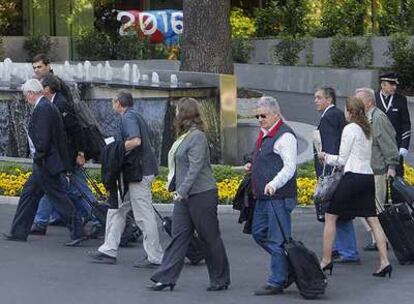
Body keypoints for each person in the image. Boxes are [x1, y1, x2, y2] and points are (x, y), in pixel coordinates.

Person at [148, 97, 230, 292]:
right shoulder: (186, 136)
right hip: (184, 196)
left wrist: (182, 191)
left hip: (201, 194)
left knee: (210, 237)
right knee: (178, 236)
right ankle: (166, 277)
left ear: (184, 113)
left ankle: (220, 279)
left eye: (177, 110)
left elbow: (195, 168)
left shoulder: (197, 137)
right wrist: (179, 191)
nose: (175, 113)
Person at [2, 79, 84, 245]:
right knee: (29, 195)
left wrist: (38, 156)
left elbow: (44, 139)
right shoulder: (47, 106)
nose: (26, 99)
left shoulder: (43, 108)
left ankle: (78, 230)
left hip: (45, 163)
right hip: (45, 161)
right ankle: (18, 232)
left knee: (58, 197)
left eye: (26, 95)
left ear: (32, 93)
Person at [318, 97, 392, 278]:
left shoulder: (350, 128)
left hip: (352, 177)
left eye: (345, 110)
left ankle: (326, 260)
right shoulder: (367, 129)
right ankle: (384, 262)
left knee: (330, 216)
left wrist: (325, 156)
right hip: (367, 177)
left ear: (350, 112)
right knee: (373, 220)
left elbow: (342, 160)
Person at [87, 90, 163, 267]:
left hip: (139, 174)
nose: (112, 105)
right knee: (118, 209)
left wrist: (115, 149)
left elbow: (135, 141)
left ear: (118, 103)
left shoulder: (128, 118)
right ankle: (108, 249)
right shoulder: (136, 115)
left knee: (144, 216)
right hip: (136, 173)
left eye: (113, 102)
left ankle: (155, 257)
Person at [30, 75, 98, 236]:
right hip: (61, 156)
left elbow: (77, 131)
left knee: (79, 189)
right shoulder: (52, 103)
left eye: (41, 87)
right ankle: (40, 222)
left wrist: (81, 153)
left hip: (69, 156)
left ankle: (98, 219)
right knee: (51, 188)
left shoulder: (61, 104)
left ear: (47, 89)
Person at [243, 96, 297, 296]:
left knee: (277, 240)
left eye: (263, 115)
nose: (259, 119)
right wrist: (252, 164)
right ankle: (287, 266)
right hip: (264, 198)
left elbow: (290, 167)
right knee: (259, 233)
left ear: (275, 114)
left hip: (279, 196)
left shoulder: (285, 136)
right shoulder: (266, 132)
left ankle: (277, 280)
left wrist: (274, 184)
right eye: (257, 115)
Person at [313, 87, 360, 264]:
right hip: (341, 170)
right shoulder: (336, 115)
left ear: (329, 99)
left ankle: (347, 251)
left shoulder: (329, 117)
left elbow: (330, 145)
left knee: (335, 211)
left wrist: (327, 173)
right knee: (337, 213)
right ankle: (339, 248)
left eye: (318, 98)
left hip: (333, 171)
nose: (315, 101)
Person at [356, 88, 400, 251]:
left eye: (358, 100)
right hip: (366, 171)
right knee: (363, 206)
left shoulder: (379, 118)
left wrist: (392, 167)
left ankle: (380, 240)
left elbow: (389, 143)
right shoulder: (365, 118)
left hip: (378, 171)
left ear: (369, 102)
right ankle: (378, 236)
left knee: (376, 209)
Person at [375, 72, 411, 204]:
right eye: (392, 84)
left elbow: (406, 124)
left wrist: (403, 147)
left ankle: (400, 214)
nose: (395, 87)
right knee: (380, 186)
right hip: (378, 151)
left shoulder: (400, 100)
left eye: (396, 84)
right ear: (383, 85)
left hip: (395, 149)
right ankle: (382, 216)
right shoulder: (374, 98)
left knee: (397, 184)